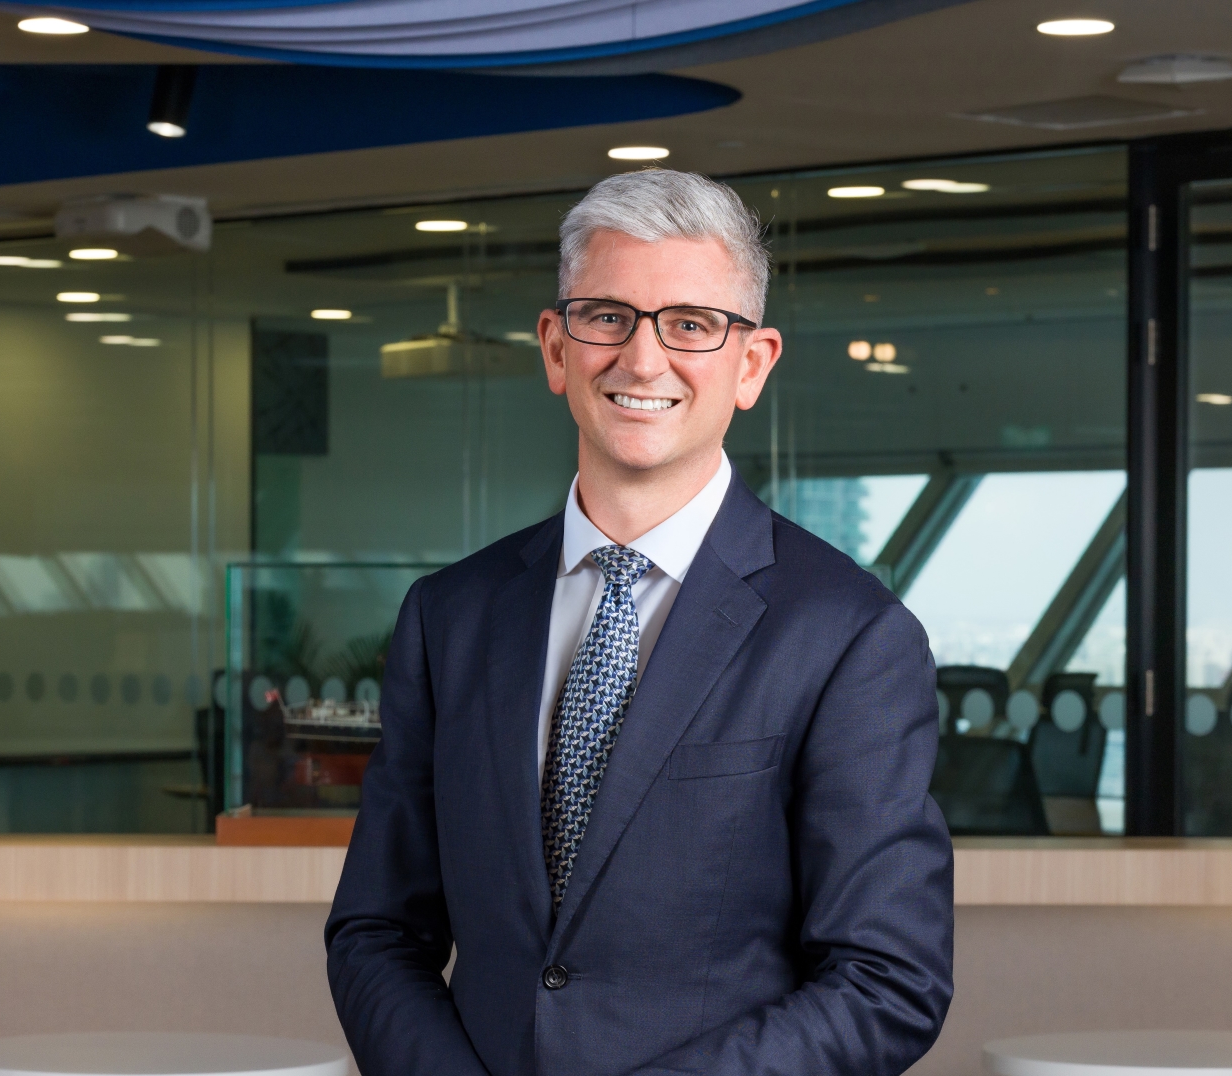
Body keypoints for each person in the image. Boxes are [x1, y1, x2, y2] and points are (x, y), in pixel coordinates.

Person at [325, 168, 953, 1076]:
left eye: (691, 324)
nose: (642, 359)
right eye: (607, 317)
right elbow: (377, 929)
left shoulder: (850, 635)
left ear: (751, 364)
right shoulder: (450, 615)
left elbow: (886, 979)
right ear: (556, 348)